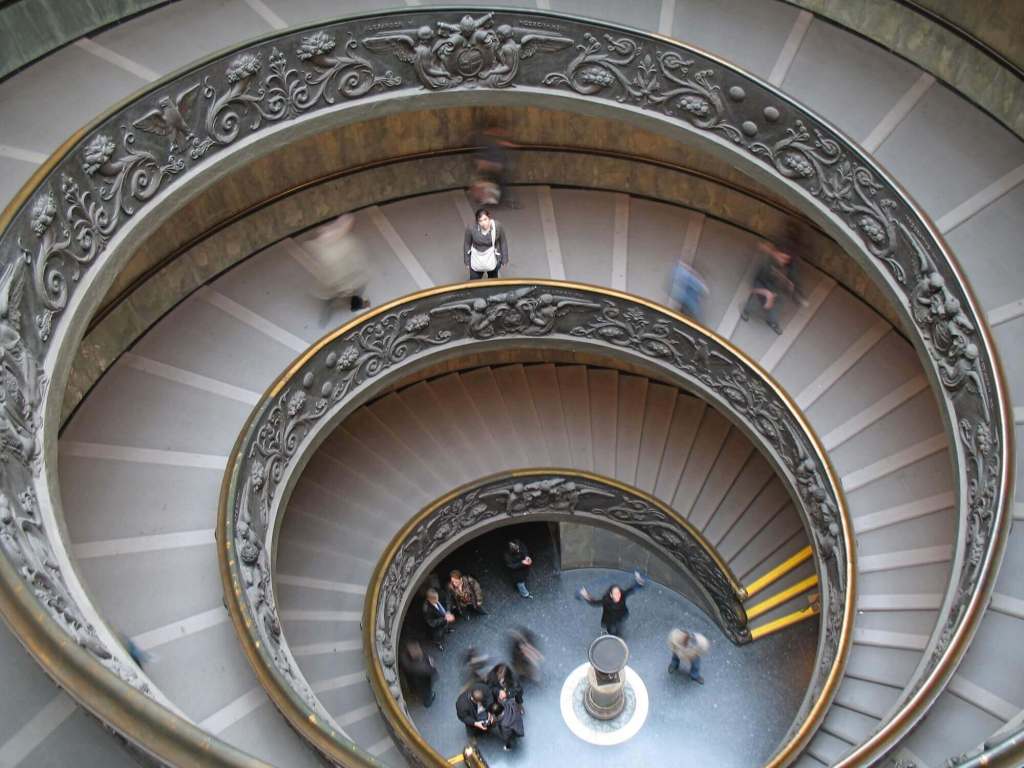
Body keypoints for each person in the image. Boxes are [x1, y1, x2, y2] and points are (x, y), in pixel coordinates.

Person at [294, 213, 371, 326]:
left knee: (330, 299)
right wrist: (345, 288)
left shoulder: (329, 240)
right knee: (357, 290)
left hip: (330, 283)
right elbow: (344, 271)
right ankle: (356, 306)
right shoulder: (345, 245)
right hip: (341, 281)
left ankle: (325, 317)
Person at [740, 240, 803, 334]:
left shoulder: (787, 267)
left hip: (775, 289)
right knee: (756, 301)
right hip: (762, 287)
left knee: (778, 304)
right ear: (777, 254)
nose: (783, 261)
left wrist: (788, 285)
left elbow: (786, 281)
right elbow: (753, 286)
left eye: (786, 259)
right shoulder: (766, 265)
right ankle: (746, 311)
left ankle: (772, 321)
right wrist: (766, 293)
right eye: (782, 257)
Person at [577, 570, 646, 636]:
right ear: (611, 595)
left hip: (620, 616)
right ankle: (611, 635)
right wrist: (586, 595)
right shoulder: (606, 600)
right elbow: (595, 602)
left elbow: (631, 589)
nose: (618, 595)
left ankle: (618, 634)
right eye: (615, 594)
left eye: (618, 593)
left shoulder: (623, 595)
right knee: (610, 629)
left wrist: (638, 582)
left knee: (619, 626)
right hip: (609, 619)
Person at [463, 208, 508, 279]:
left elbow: (503, 241)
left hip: (493, 256)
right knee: (474, 281)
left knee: (493, 280)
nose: (484, 223)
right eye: (480, 221)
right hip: (476, 258)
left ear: (489, 218)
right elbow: (467, 244)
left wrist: (504, 259)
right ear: (477, 222)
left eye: (485, 219)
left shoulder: (497, 226)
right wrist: (467, 261)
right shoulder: (471, 228)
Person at [399, 640, 438, 707]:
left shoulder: (404, 658)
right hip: (423, 683)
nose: (420, 650)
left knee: (414, 687)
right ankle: (428, 702)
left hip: (412, 680)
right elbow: (433, 672)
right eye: (419, 649)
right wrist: (432, 664)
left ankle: (413, 692)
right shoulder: (423, 667)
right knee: (427, 693)